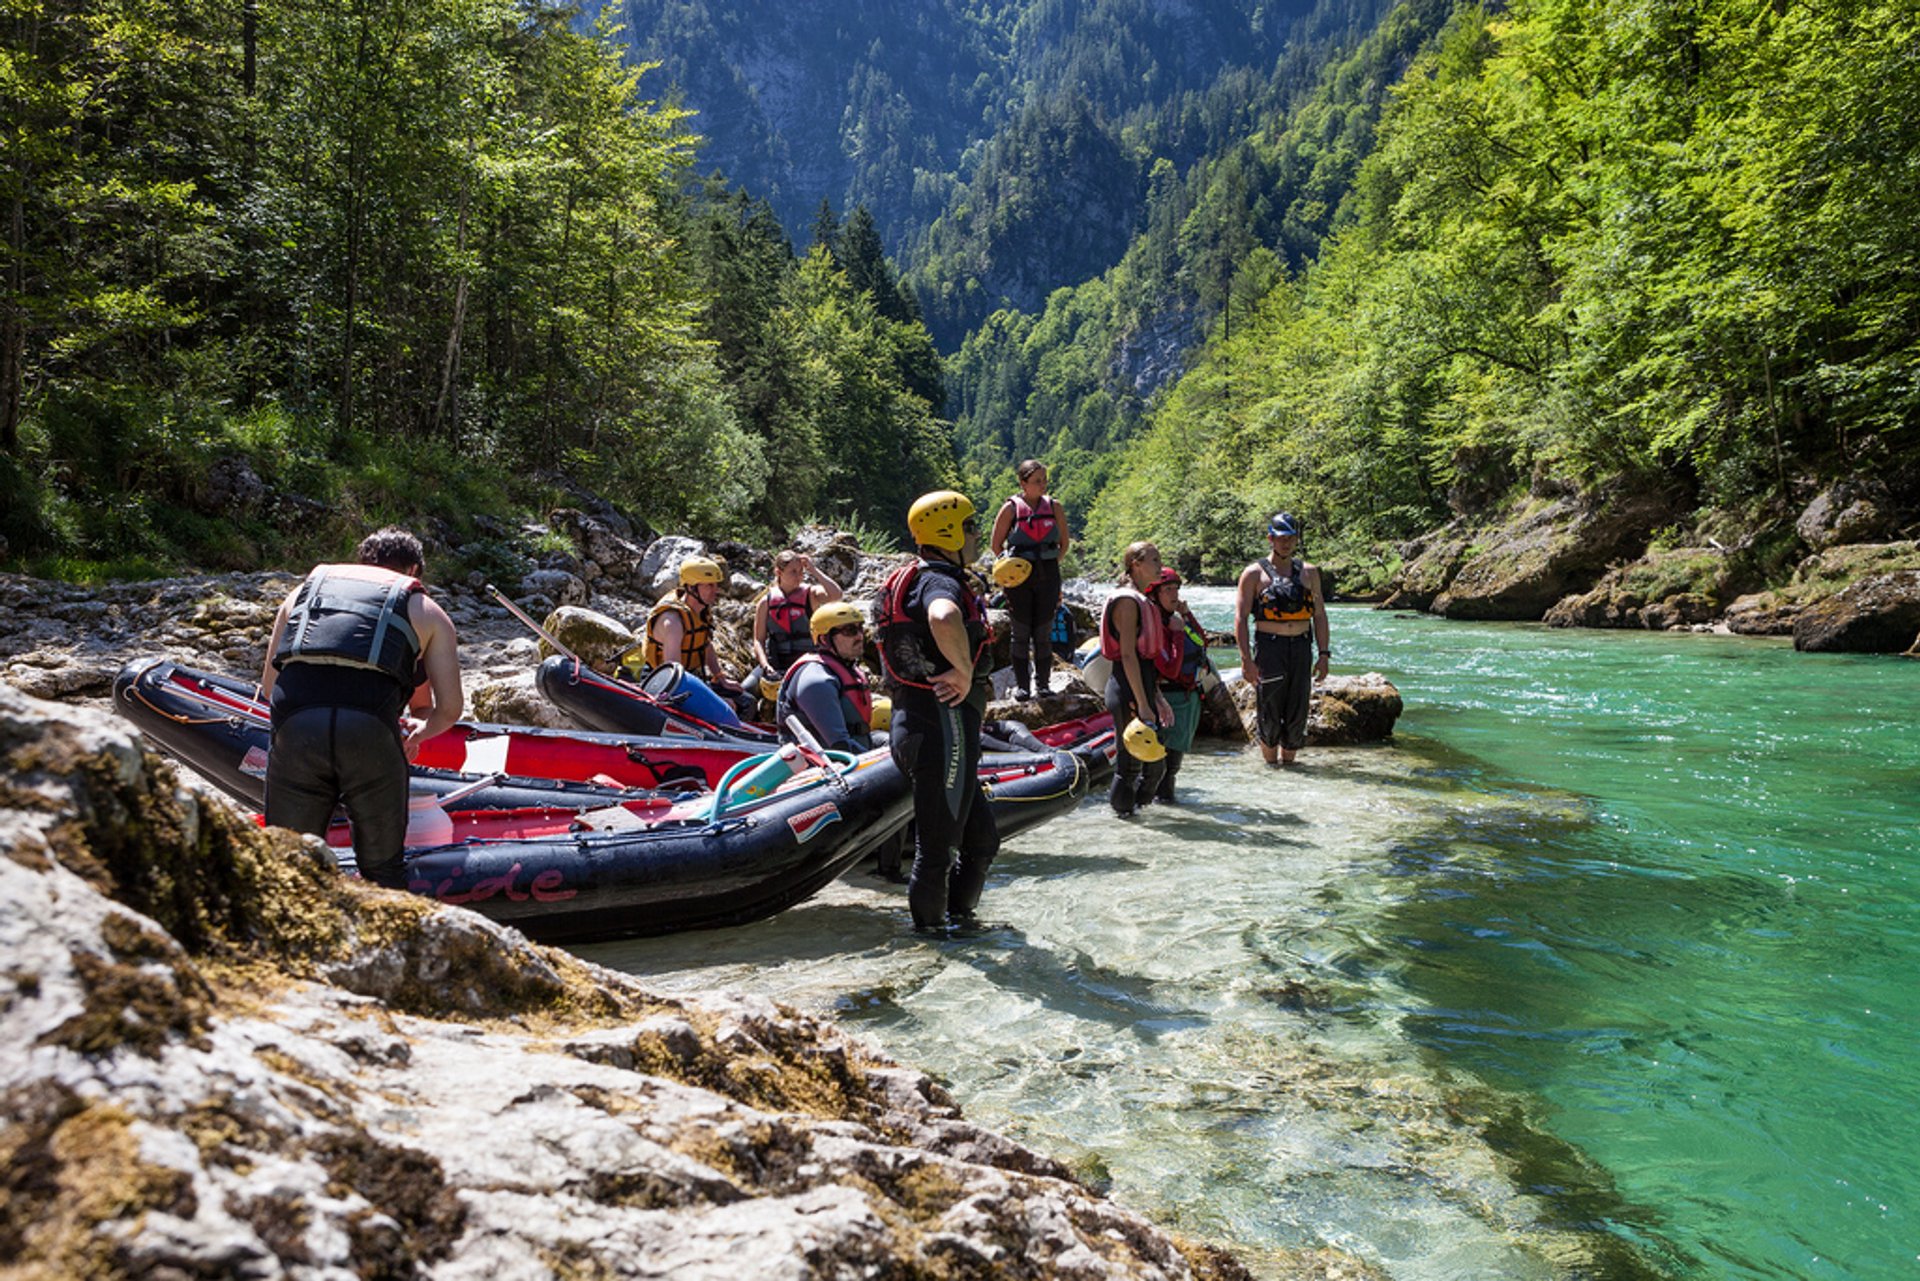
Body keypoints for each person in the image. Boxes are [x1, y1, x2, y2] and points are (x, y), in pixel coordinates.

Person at [259, 527, 462, 888]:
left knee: (286, 867)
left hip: (296, 724)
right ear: (414, 571)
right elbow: (449, 709)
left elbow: (269, 686)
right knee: (382, 871)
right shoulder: (424, 607)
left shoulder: (303, 591)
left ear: (362, 561)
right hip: (370, 731)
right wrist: (419, 732)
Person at [876, 490, 1001, 930]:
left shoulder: (918, 576)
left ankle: (960, 924)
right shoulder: (939, 582)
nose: (976, 535)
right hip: (938, 729)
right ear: (946, 531)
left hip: (923, 726)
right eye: (970, 526)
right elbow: (944, 616)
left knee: (982, 840)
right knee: (937, 852)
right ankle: (930, 943)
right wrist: (965, 672)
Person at [1234, 512, 1330, 766]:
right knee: (1270, 710)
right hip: (1270, 648)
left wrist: (1323, 654)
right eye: (1280, 538)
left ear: (1296, 539)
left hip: (1300, 646)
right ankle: (1270, 767)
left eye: (1291, 538)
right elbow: (1241, 618)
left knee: (1298, 710)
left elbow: (1319, 616)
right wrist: (1246, 660)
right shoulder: (1254, 574)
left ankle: (1289, 768)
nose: (1285, 543)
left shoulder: (1309, 573)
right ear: (1270, 539)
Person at [1100, 541, 1175, 815]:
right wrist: (1142, 704)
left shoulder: (1141, 599)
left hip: (1142, 686)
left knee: (1155, 763)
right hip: (1127, 689)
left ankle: (1137, 818)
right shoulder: (1126, 602)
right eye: (1154, 560)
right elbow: (1129, 656)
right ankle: (1123, 819)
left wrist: (1157, 698)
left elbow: (1145, 661)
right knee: (1130, 765)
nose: (1160, 565)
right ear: (1136, 565)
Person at [989, 460, 1069, 700]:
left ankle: (1043, 685)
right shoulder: (1010, 509)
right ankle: (1023, 687)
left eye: (1044, 480)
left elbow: (1064, 544)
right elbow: (996, 545)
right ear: (1023, 483)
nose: (1043, 485)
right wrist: (1012, 568)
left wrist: (1049, 563)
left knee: (1043, 632)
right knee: (1021, 632)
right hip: (1018, 579)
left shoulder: (1054, 507)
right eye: (1037, 481)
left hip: (1048, 575)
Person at [640, 556, 754, 715]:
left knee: (747, 701)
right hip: (665, 685)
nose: (716, 591)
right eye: (709, 586)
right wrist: (716, 701)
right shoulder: (673, 622)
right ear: (692, 588)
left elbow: (705, 645)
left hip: (690, 679)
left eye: (716, 585)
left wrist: (720, 677)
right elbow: (674, 677)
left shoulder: (700, 611)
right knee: (729, 708)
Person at [776, 600, 879, 754]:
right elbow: (839, 746)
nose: (859, 636)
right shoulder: (817, 681)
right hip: (824, 764)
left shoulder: (848, 669)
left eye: (860, 629)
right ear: (824, 639)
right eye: (849, 631)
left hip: (855, 749)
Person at [1148, 567, 1209, 803]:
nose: (1175, 595)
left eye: (1176, 589)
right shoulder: (1155, 624)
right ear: (1155, 594)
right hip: (1166, 699)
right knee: (1161, 767)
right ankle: (1160, 806)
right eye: (1168, 590)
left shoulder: (1177, 617)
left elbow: (1202, 642)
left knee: (1173, 767)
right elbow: (1170, 668)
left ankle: (1166, 804)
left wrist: (1187, 615)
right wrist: (1176, 633)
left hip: (1186, 697)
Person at [748, 550, 843, 703]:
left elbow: (836, 595)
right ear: (778, 572)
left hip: (806, 663)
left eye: (801, 572)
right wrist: (766, 666)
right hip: (775, 663)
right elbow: (758, 640)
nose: (799, 576)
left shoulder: (811, 594)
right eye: (793, 572)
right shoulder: (765, 603)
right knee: (745, 690)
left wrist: (813, 569)